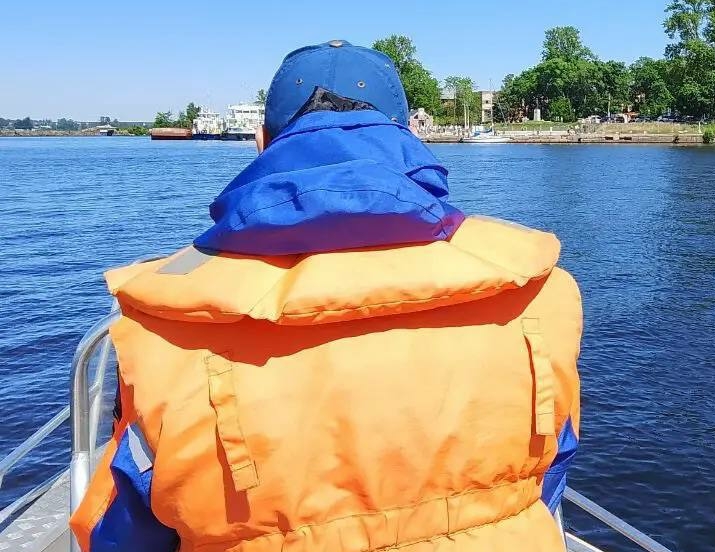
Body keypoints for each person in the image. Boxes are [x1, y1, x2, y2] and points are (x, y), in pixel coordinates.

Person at [70, 40, 583, 552]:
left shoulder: (162, 329)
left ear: (261, 141)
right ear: (408, 136)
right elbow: (552, 470)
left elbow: (127, 533)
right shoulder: (540, 294)